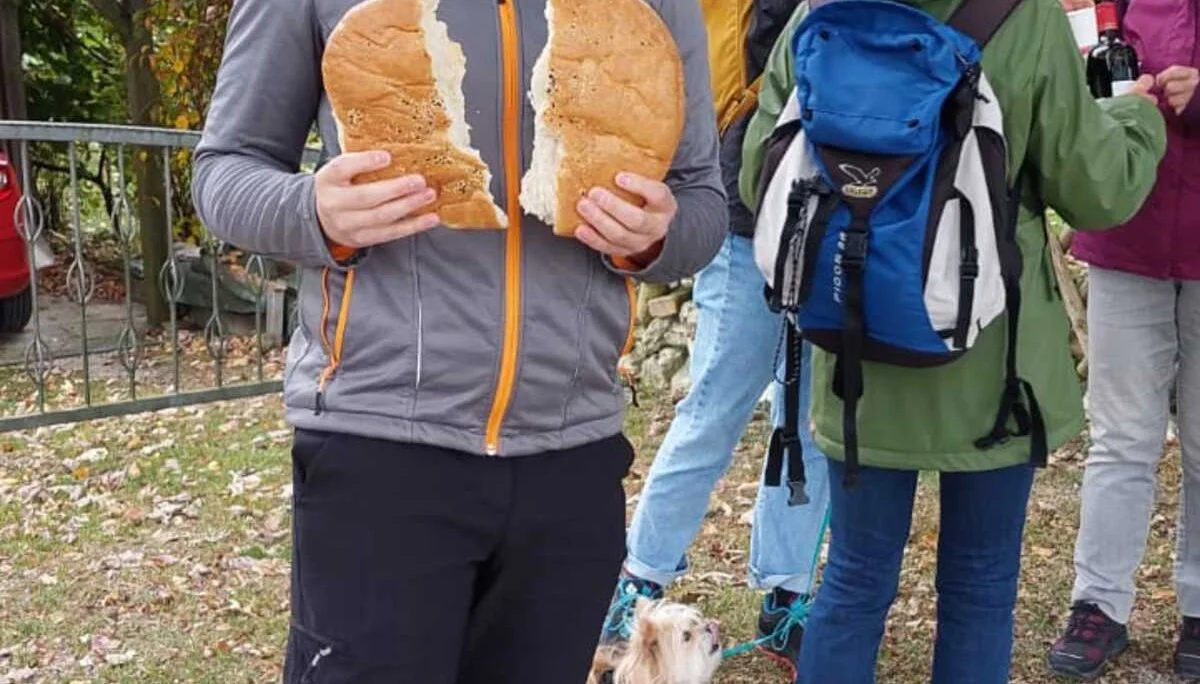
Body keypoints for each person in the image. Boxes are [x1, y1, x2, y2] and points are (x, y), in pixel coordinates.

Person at [190, 1, 726, 682]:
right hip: (381, 450)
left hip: (573, 460)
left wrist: (656, 237)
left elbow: (701, 200)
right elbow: (225, 169)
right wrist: (313, 211)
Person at [740, 0, 1167, 682]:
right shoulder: (1024, 17)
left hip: (858, 349)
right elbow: (1097, 190)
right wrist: (1135, 116)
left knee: (852, 583)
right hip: (994, 361)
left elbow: (757, 178)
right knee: (979, 586)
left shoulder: (819, 12)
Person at [599, 0, 830, 676]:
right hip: (747, 214)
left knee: (809, 422)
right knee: (714, 410)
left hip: (835, 226)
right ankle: (638, 582)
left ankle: (789, 595)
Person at [1047, 0, 1200, 678]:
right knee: (1120, 435)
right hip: (1125, 229)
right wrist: (1103, 96)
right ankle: (1099, 605)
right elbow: (1059, 90)